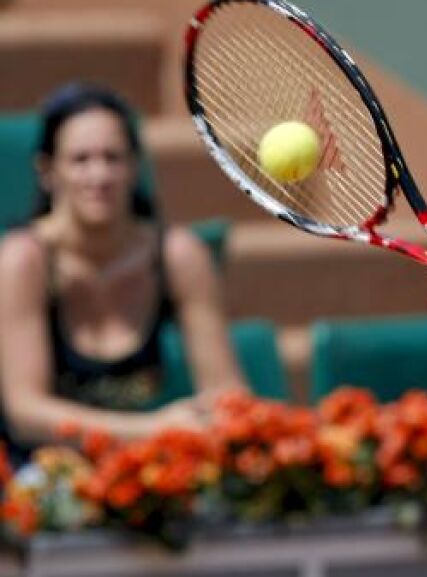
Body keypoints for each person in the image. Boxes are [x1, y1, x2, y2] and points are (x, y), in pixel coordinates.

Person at [0, 84, 246, 456]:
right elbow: (26, 413)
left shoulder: (178, 254)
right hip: (39, 471)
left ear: (134, 167)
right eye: (80, 160)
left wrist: (216, 421)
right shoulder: (22, 261)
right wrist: (151, 430)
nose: (99, 175)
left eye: (112, 157)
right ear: (48, 172)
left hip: (144, 467)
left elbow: (228, 393)